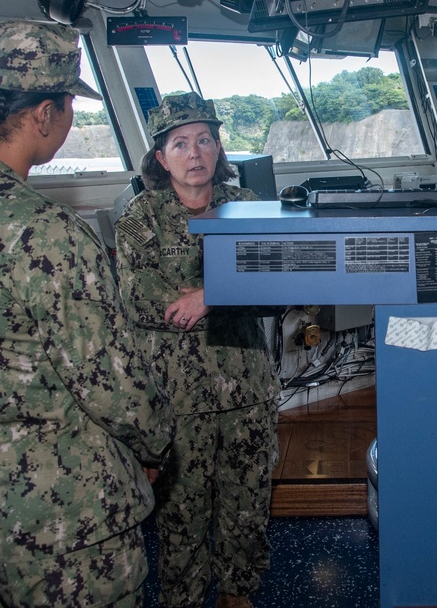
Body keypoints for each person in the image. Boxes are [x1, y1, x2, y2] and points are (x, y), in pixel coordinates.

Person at [0, 20, 174, 608]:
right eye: (70, 105)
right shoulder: (46, 230)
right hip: (64, 523)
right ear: (43, 115)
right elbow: (114, 385)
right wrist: (156, 447)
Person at [113, 93, 280, 608]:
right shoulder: (140, 218)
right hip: (175, 396)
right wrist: (227, 292)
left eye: (205, 140)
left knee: (247, 501)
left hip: (247, 385)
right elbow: (141, 299)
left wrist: (210, 295)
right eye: (180, 143)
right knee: (181, 512)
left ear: (219, 148)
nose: (195, 153)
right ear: (160, 159)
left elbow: (277, 277)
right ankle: (182, 598)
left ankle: (237, 592)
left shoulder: (249, 207)